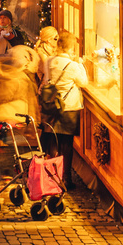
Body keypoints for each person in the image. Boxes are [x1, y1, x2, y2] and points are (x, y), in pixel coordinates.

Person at [40, 31, 88, 190]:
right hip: (69, 108)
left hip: (51, 106)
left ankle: (50, 176)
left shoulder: (48, 61)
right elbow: (83, 82)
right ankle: (66, 178)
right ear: (70, 47)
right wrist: (80, 63)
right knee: (66, 145)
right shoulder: (72, 65)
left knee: (52, 142)